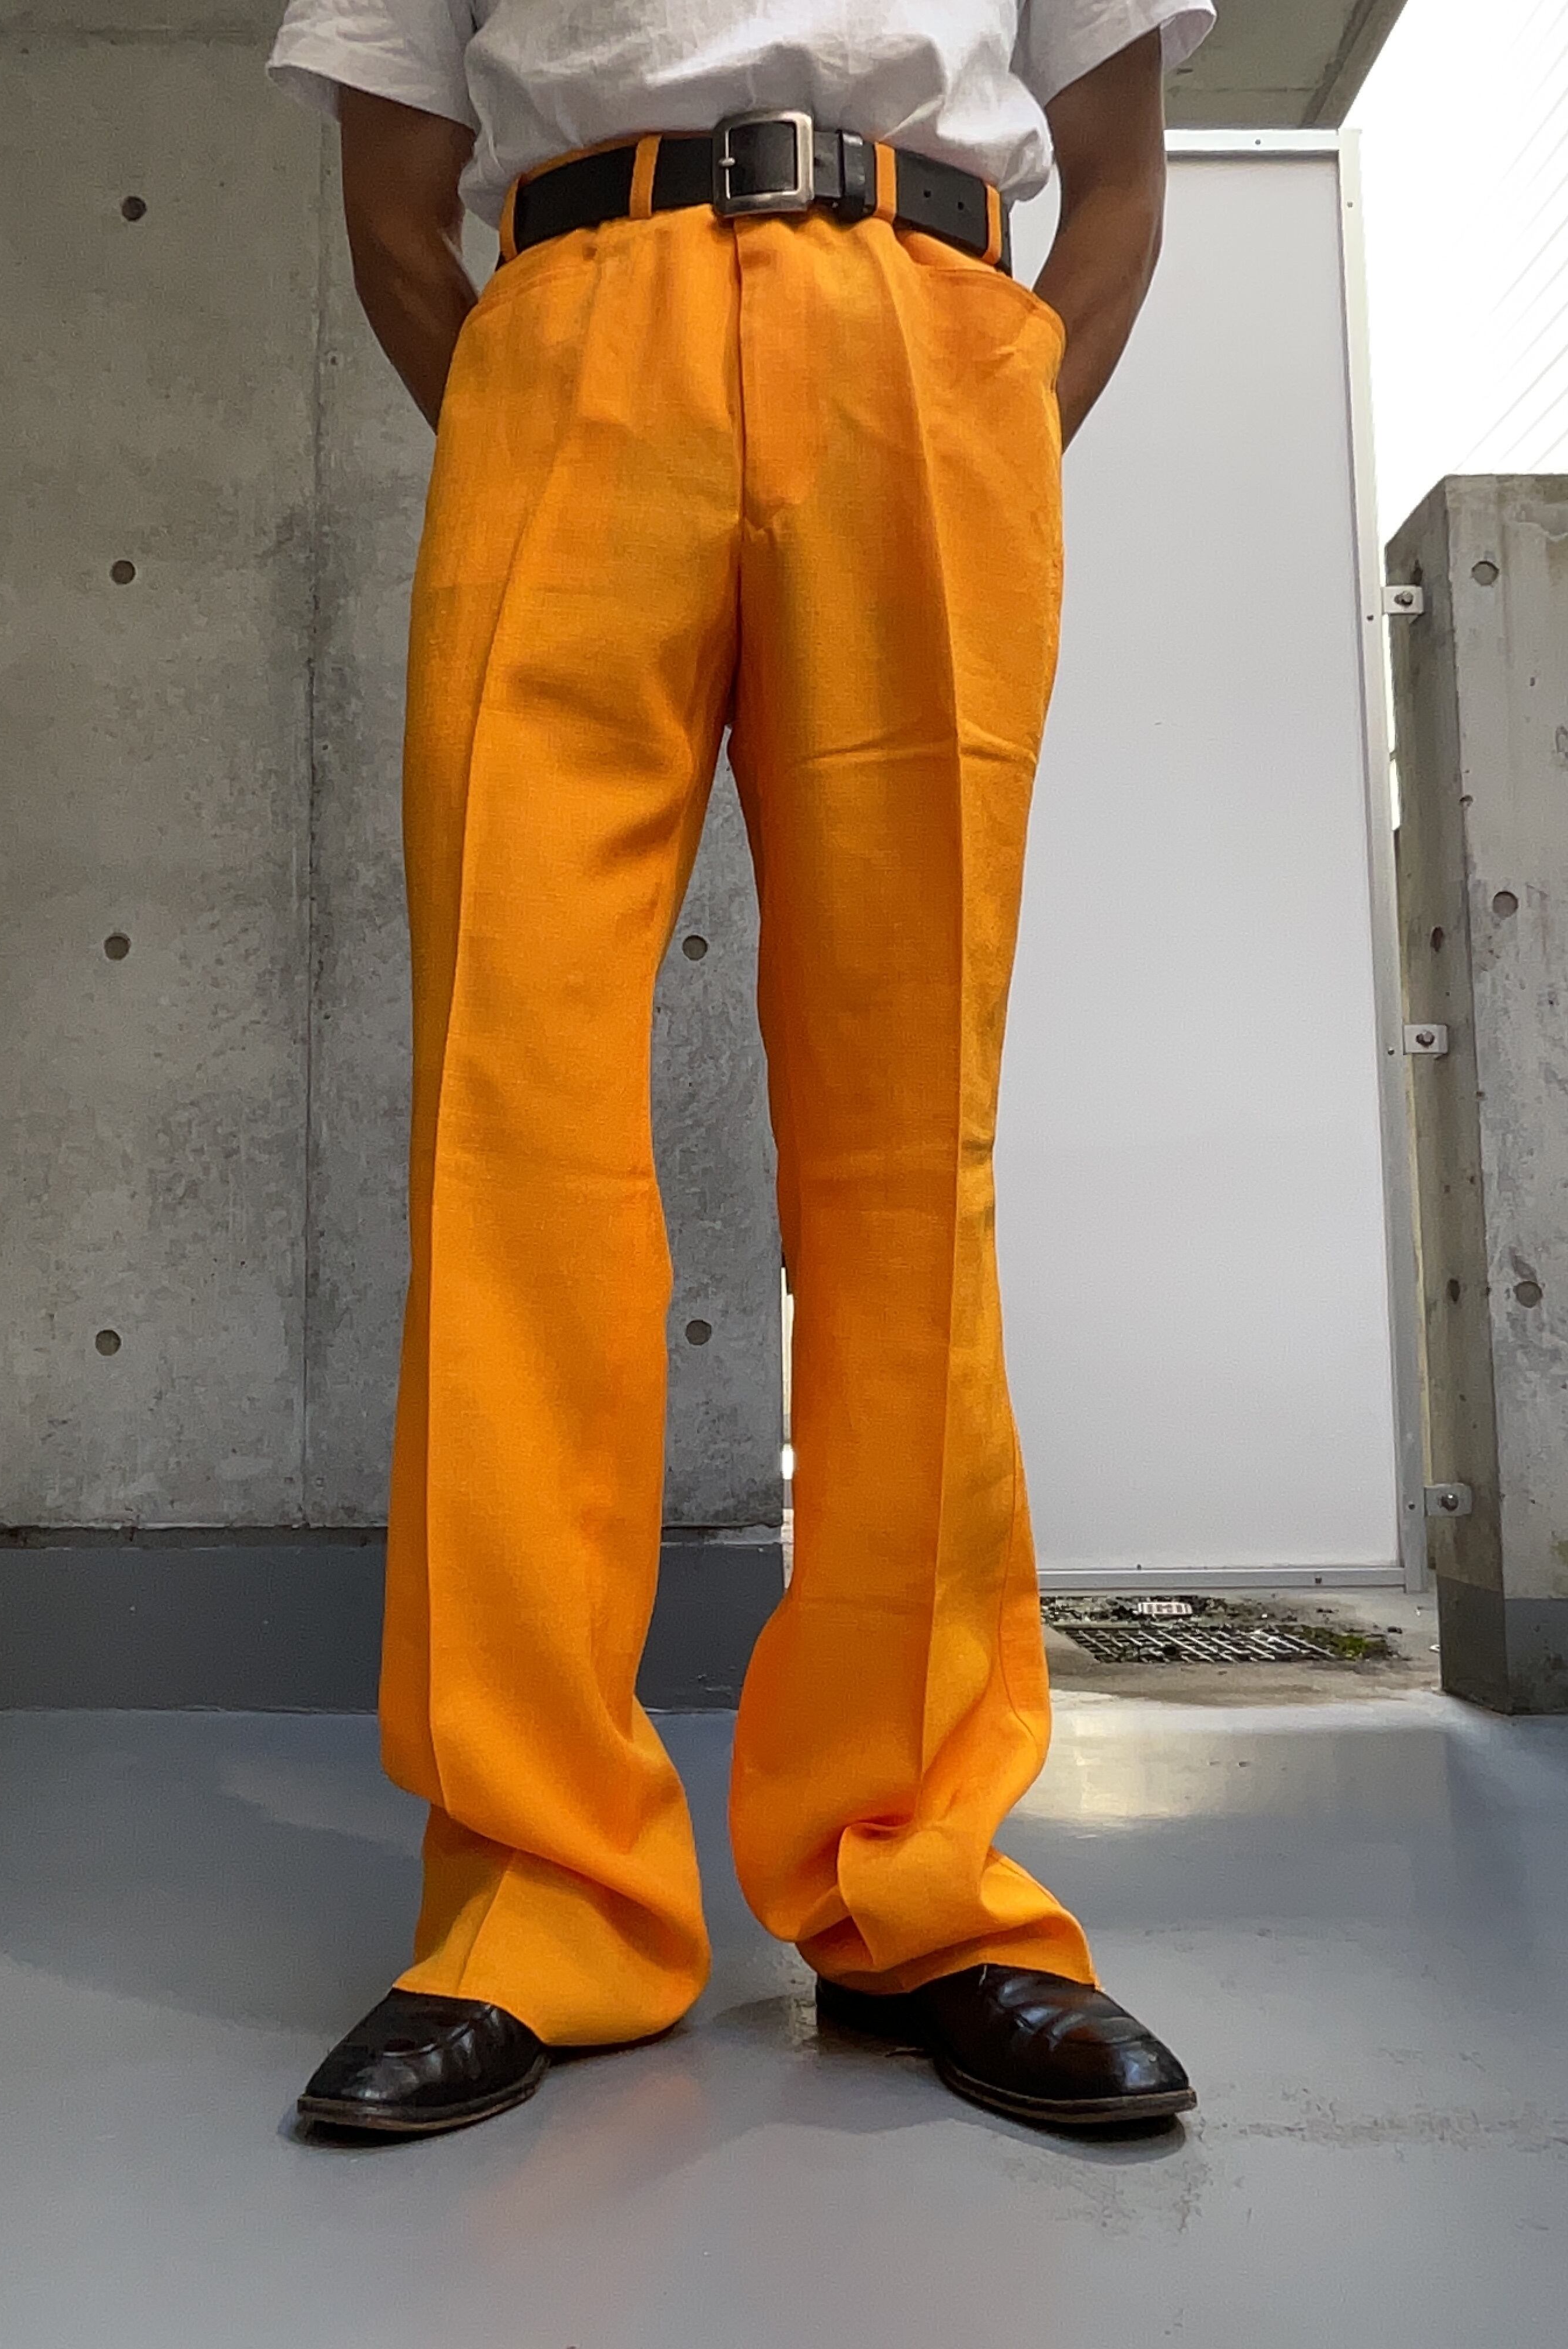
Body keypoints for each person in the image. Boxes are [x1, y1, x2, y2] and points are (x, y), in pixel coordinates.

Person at [267, 0, 1212, 2139]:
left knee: (908, 1155)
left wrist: (988, 423)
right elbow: (394, 204)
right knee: (511, 1133)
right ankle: (537, 1891)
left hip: (928, 340)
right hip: (568, 342)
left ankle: (919, 1881)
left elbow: (1122, 178)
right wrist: (537, 410)